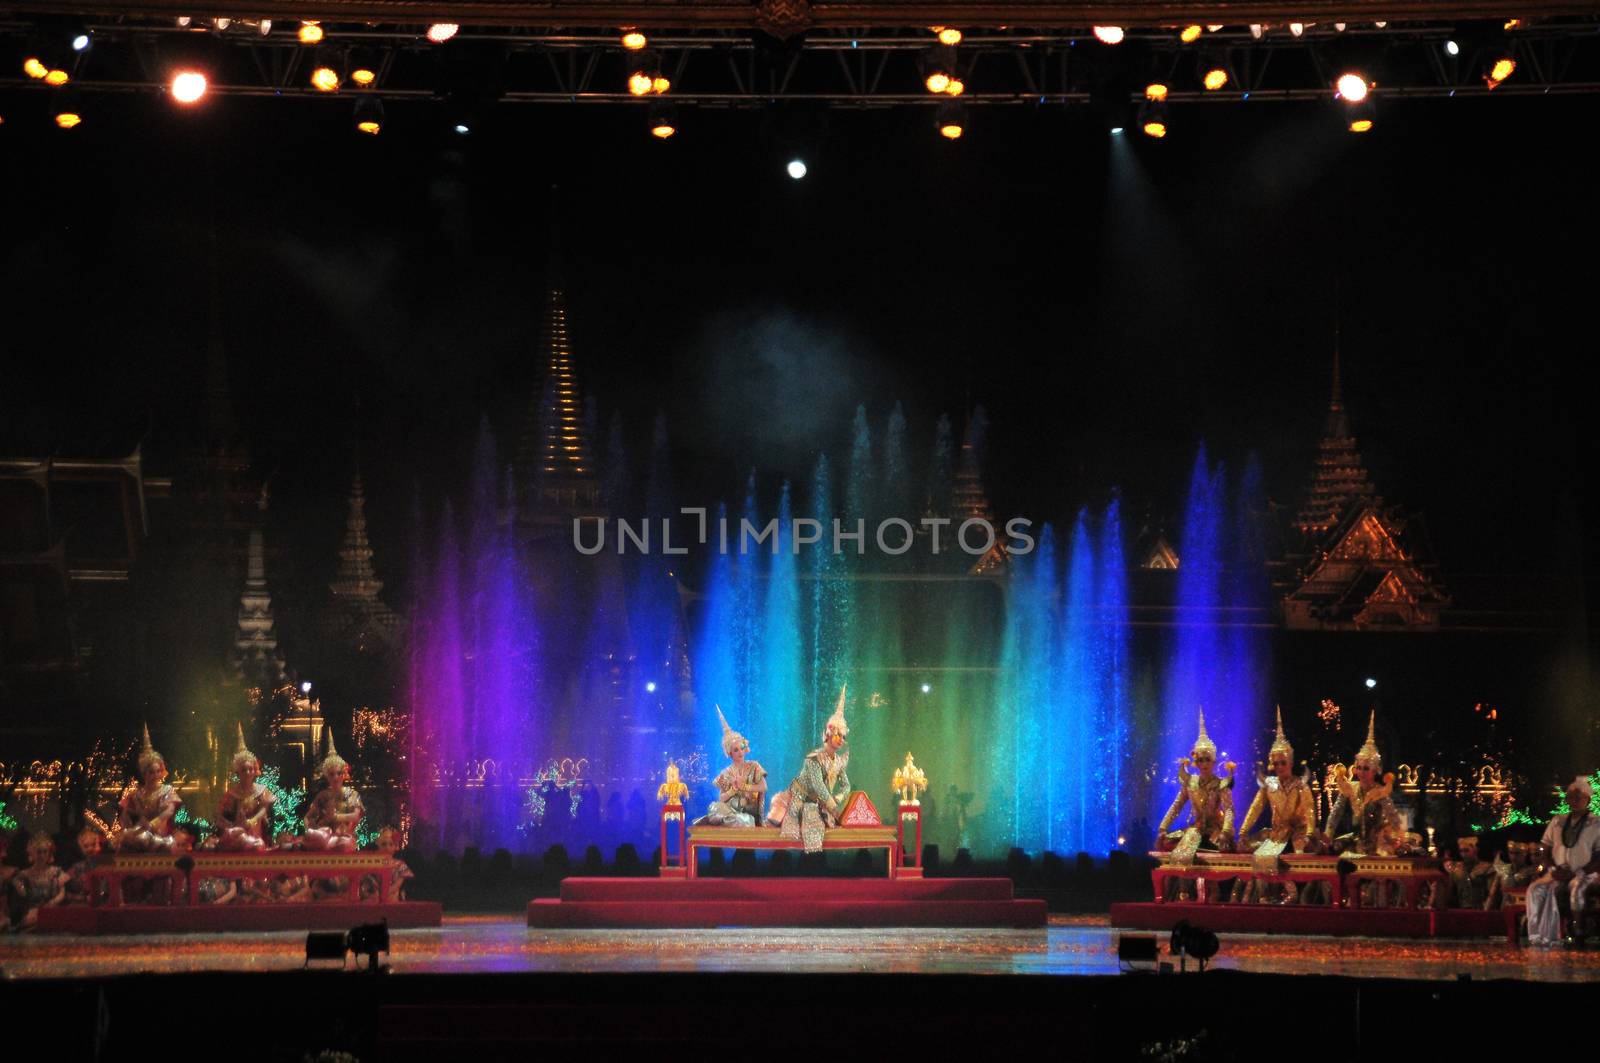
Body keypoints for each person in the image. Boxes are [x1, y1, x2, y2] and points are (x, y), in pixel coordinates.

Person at [1238, 708, 1317, 901]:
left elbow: (1310, 810)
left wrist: (1308, 834)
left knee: (1301, 855)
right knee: (1258, 853)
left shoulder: (1300, 785)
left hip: (1297, 833)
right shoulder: (1269, 784)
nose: (1279, 767)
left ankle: (1294, 895)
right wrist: (1242, 831)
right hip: (1276, 833)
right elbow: (1255, 808)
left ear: (1290, 763)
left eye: (1283, 763)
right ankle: (1265, 895)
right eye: (1276, 763)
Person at [768, 685, 852, 853]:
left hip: (819, 803)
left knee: (818, 824)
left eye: (844, 736)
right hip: (797, 799)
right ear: (827, 735)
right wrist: (832, 806)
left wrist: (836, 799)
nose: (841, 740)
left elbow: (846, 786)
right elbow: (817, 785)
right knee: (779, 825)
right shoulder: (814, 758)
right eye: (837, 735)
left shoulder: (838, 761)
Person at [1526, 775, 1600, 946]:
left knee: (1577, 888)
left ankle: (1579, 932)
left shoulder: (1596, 823)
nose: (1574, 800)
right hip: (1558, 872)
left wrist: (1579, 872)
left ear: (1587, 800)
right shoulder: (1558, 820)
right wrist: (1553, 869)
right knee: (1535, 889)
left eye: (1578, 797)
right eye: (1571, 797)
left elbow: (1599, 855)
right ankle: (1539, 935)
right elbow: (1544, 847)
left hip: (1586, 873)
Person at [1323, 710, 1408, 859]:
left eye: (1366, 768)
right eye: (1359, 768)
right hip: (1355, 840)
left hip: (1377, 841)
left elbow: (1393, 817)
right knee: (1334, 848)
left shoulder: (1380, 792)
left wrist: (1402, 839)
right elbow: (1336, 813)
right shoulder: (1350, 788)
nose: (1361, 772)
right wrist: (1328, 834)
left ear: (1376, 771)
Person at [699, 705, 768, 827]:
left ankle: (735, 820)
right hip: (731, 810)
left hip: (748, 811)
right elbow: (722, 799)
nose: (741, 752)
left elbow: (763, 787)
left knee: (744, 820)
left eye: (741, 748)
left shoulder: (754, 766)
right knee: (714, 808)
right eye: (736, 750)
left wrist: (744, 786)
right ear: (730, 753)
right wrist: (733, 790)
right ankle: (732, 819)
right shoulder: (726, 772)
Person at [117, 723, 182, 852]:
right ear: (144, 773)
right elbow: (125, 816)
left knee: (152, 840)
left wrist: (152, 824)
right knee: (131, 838)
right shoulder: (137, 794)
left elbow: (169, 811)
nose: (156, 775)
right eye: (151, 772)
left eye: (158, 771)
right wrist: (128, 828)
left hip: (161, 834)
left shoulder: (167, 790)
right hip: (141, 831)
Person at [216, 723, 275, 851]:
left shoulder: (261, 790)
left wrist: (251, 821)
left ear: (255, 771)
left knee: (256, 845)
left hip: (256, 833)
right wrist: (231, 826)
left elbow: (264, 810)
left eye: (250, 769)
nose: (248, 773)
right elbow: (220, 816)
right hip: (236, 833)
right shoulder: (232, 793)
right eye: (244, 770)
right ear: (238, 772)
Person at [303, 731, 363, 853]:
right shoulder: (323, 795)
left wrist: (336, 817)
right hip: (325, 836)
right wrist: (315, 826)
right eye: (332, 774)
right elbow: (307, 818)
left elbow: (356, 816)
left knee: (344, 844)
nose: (336, 777)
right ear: (326, 776)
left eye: (339, 773)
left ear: (343, 774)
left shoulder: (352, 794)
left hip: (344, 836)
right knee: (314, 838)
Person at [10, 833, 69, 930]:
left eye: (45, 852)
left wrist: (51, 904)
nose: (42, 855)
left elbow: (62, 893)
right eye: (38, 852)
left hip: (53, 912)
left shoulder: (57, 872)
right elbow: (23, 895)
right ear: (31, 853)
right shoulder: (23, 875)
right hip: (31, 913)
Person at [1445, 836, 1496, 909]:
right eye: (1461, 851)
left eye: (1466, 850)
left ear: (1475, 850)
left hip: (1481, 909)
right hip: (1461, 909)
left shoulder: (1487, 868)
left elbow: (1492, 894)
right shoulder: (1456, 869)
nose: (1463, 854)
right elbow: (1450, 894)